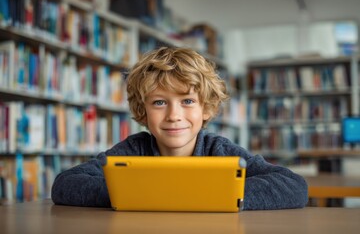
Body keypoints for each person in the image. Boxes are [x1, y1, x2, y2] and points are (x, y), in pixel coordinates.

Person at [51, 47, 308, 210]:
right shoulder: (133, 150)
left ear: (206, 108)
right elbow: (65, 184)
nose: (174, 115)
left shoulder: (219, 150)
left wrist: (212, 196)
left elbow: (294, 186)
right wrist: (131, 195)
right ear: (143, 110)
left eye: (187, 101)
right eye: (160, 102)